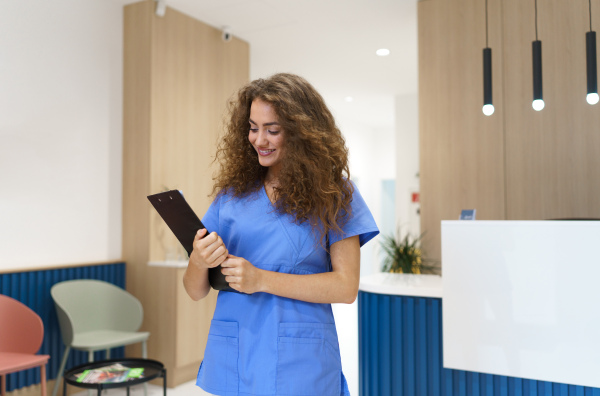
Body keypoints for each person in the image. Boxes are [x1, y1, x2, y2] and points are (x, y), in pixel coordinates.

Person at [183, 73, 379, 396]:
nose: (259, 140)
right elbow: (194, 290)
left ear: (303, 132)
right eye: (253, 128)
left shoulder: (334, 193)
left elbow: (346, 287)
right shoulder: (232, 196)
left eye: (272, 130)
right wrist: (198, 260)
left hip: (302, 361)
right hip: (236, 354)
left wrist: (261, 279)